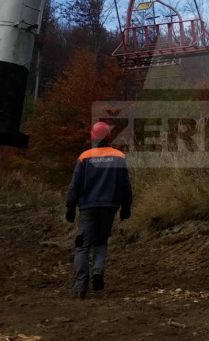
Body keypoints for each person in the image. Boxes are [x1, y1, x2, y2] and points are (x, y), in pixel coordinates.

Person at [66, 122, 132, 300]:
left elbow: (75, 186)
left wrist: (70, 207)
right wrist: (126, 207)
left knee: (82, 246)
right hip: (109, 207)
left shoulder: (84, 157)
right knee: (101, 242)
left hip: (88, 208)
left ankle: (80, 287)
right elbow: (125, 185)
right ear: (109, 137)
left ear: (93, 137)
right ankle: (97, 270)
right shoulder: (119, 156)